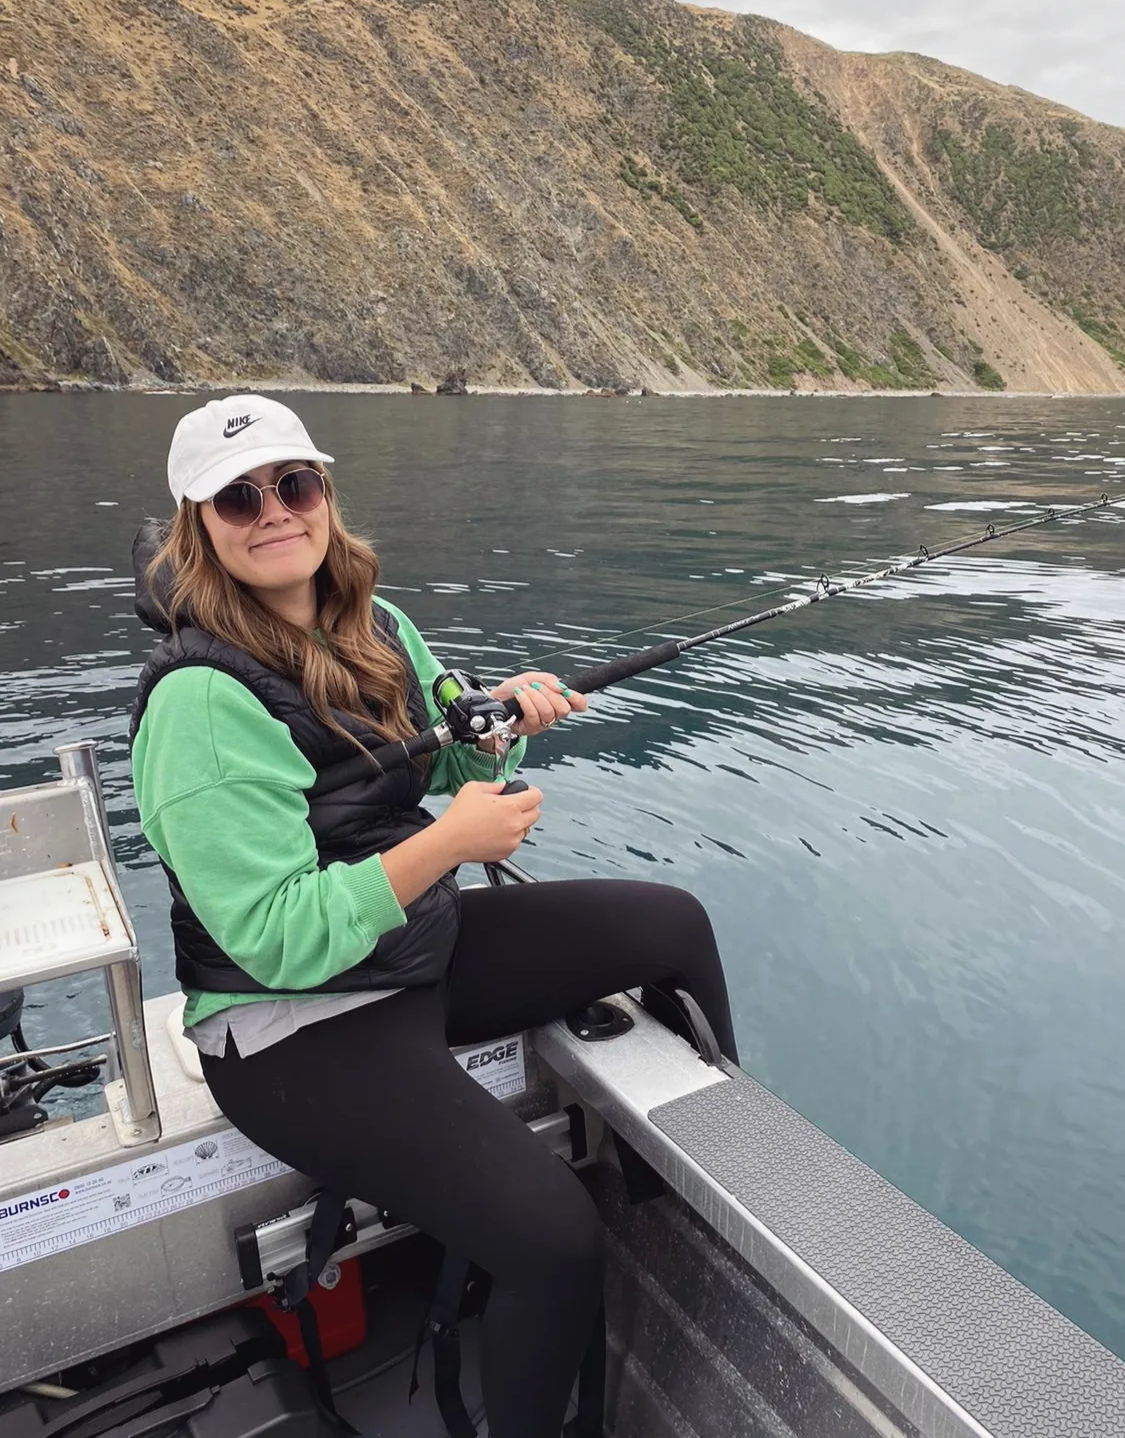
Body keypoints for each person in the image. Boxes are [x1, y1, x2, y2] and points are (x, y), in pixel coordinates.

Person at [129, 394, 740, 1438]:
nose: (274, 511)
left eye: (294, 484)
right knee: (552, 1243)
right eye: (238, 497)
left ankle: (677, 1211)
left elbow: (452, 751)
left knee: (673, 925)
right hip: (293, 1023)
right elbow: (272, 936)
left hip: (409, 941)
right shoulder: (197, 704)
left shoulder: (378, 624)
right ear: (199, 526)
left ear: (325, 494)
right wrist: (446, 845)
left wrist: (504, 726)